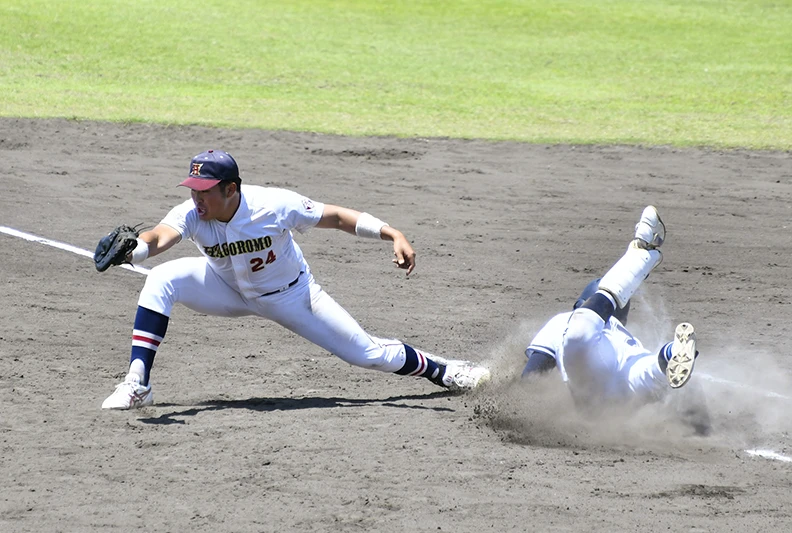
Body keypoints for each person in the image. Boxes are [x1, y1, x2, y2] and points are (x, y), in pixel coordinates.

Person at [100, 149, 490, 409]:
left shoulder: (273, 205)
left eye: (204, 191)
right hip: (226, 288)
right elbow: (159, 236)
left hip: (292, 296)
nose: (196, 199)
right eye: (193, 190)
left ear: (231, 189)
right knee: (161, 279)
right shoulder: (191, 213)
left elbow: (335, 217)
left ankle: (447, 370)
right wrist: (135, 251)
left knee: (366, 353)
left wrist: (392, 233)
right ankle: (138, 383)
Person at [522, 206, 705, 423]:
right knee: (651, 371)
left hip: (595, 389)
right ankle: (670, 353)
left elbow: (532, 375)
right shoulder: (626, 336)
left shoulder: (563, 321)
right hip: (629, 381)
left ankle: (642, 252)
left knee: (578, 333)